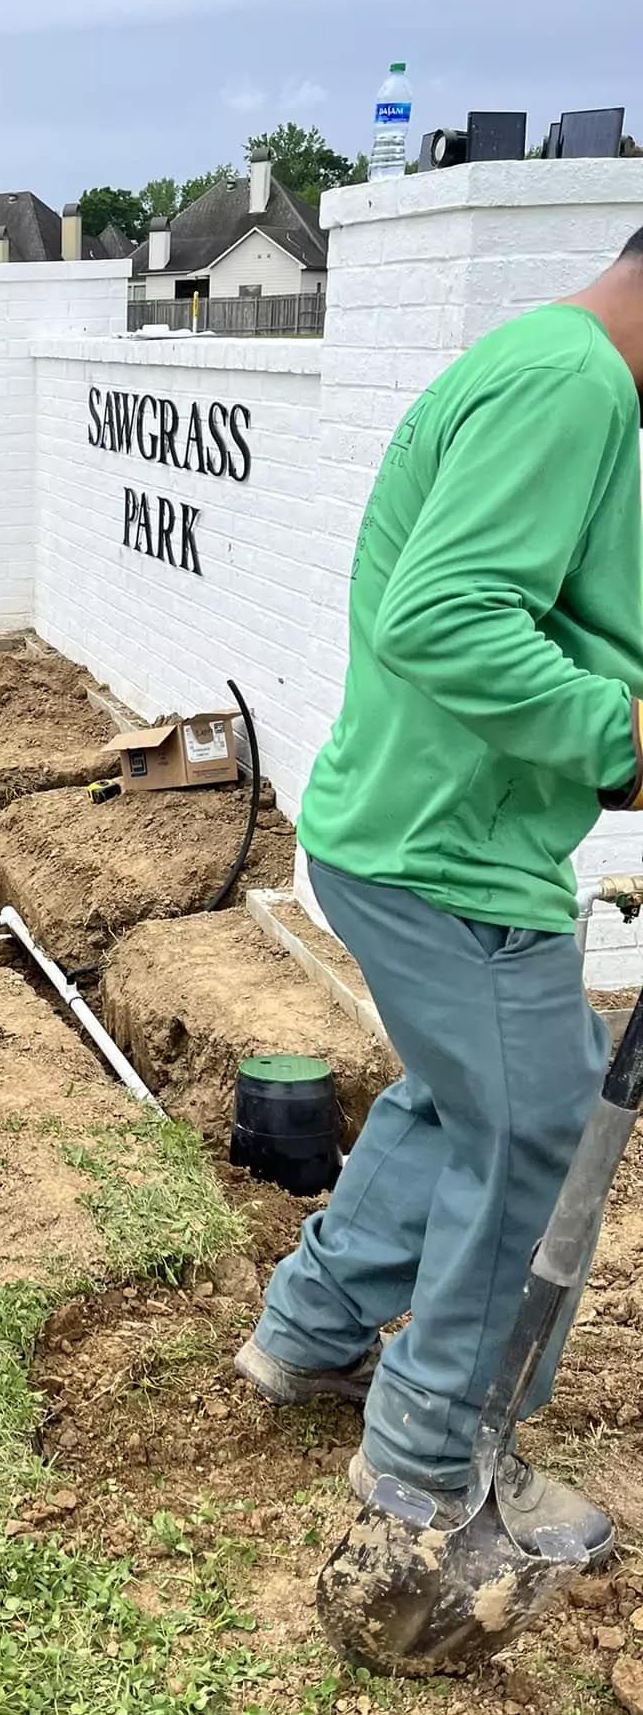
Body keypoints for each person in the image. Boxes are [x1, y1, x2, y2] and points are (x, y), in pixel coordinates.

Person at [236, 229, 643, 1569]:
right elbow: (446, 616)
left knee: (460, 1095)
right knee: (533, 1129)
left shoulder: (557, 370)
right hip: (446, 856)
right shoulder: (570, 384)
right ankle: (434, 1465)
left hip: (427, 835)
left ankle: (307, 1334)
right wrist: (620, 737)